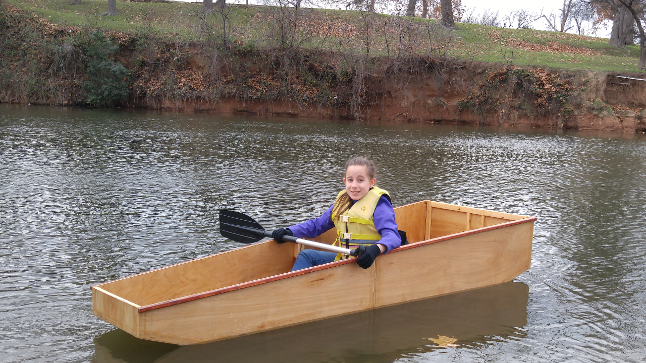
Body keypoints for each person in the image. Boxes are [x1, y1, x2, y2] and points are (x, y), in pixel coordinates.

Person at [271, 156, 401, 271]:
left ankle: (293, 293)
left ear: (371, 182)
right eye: (350, 180)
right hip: (346, 258)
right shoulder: (342, 201)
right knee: (306, 255)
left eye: (360, 180)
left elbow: (393, 236)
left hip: (368, 261)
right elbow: (317, 225)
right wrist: (289, 231)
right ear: (345, 181)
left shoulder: (380, 204)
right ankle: (294, 292)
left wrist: (375, 249)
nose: (354, 185)